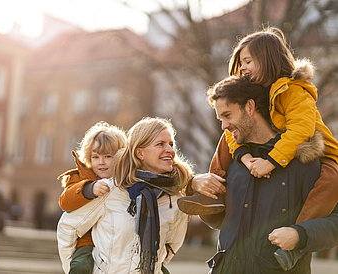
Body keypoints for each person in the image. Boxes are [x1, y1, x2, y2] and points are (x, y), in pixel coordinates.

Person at [177, 26, 338, 270]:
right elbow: (232, 137)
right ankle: (210, 195)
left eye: (248, 61)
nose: (243, 68)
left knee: (330, 183)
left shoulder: (294, 91)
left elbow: (300, 130)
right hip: (229, 266)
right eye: (241, 63)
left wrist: (301, 234)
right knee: (226, 145)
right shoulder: (252, 105)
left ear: (251, 107)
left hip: (319, 153)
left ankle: (296, 238)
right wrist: (239, 160)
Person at [202, 75, 323, 273]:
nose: (223, 126)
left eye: (227, 115)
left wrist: (300, 235)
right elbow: (215, 219)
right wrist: (198, 185)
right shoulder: (232, 158)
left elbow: (333, 222)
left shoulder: (302, 161)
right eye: (220, 119)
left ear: (250, 107)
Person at [57, 117, 193, 274]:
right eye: (160, 144)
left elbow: (171, 245)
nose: (170, 150)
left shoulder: (176, 199)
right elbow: (67, 227)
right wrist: (72, 269)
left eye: (171, 144)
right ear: (139, 153)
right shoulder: (110, 189)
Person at [57, 121, 127, 274]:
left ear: (121, 157)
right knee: (81, 266)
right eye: (95, 157)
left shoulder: (125, 181)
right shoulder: (80, 176)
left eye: (108, 156)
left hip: (116, 240)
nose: (101, 162)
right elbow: (65, 202)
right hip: (88, 241)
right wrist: (89, 189)